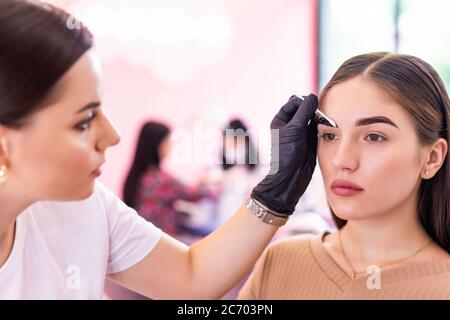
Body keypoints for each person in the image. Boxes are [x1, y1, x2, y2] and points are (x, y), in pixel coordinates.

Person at [0, 0, 318, 299]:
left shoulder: (85, 205)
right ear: (4, 146)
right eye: (84, 121)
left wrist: (274, 192)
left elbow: (189, 277)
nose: (112, 136)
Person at [238, 52, 450, 300]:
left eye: (374, 137)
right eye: (329, 135)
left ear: (432, 157)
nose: (341, 160)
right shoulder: (279, 260)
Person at [123, 121, 213, 236]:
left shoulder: (139, 176)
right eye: (167, 141)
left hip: (143, 238)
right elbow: (195, 194)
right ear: (157, 145)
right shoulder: (160, 180)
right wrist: (210, 183)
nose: (170, 146)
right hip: (161, 241)